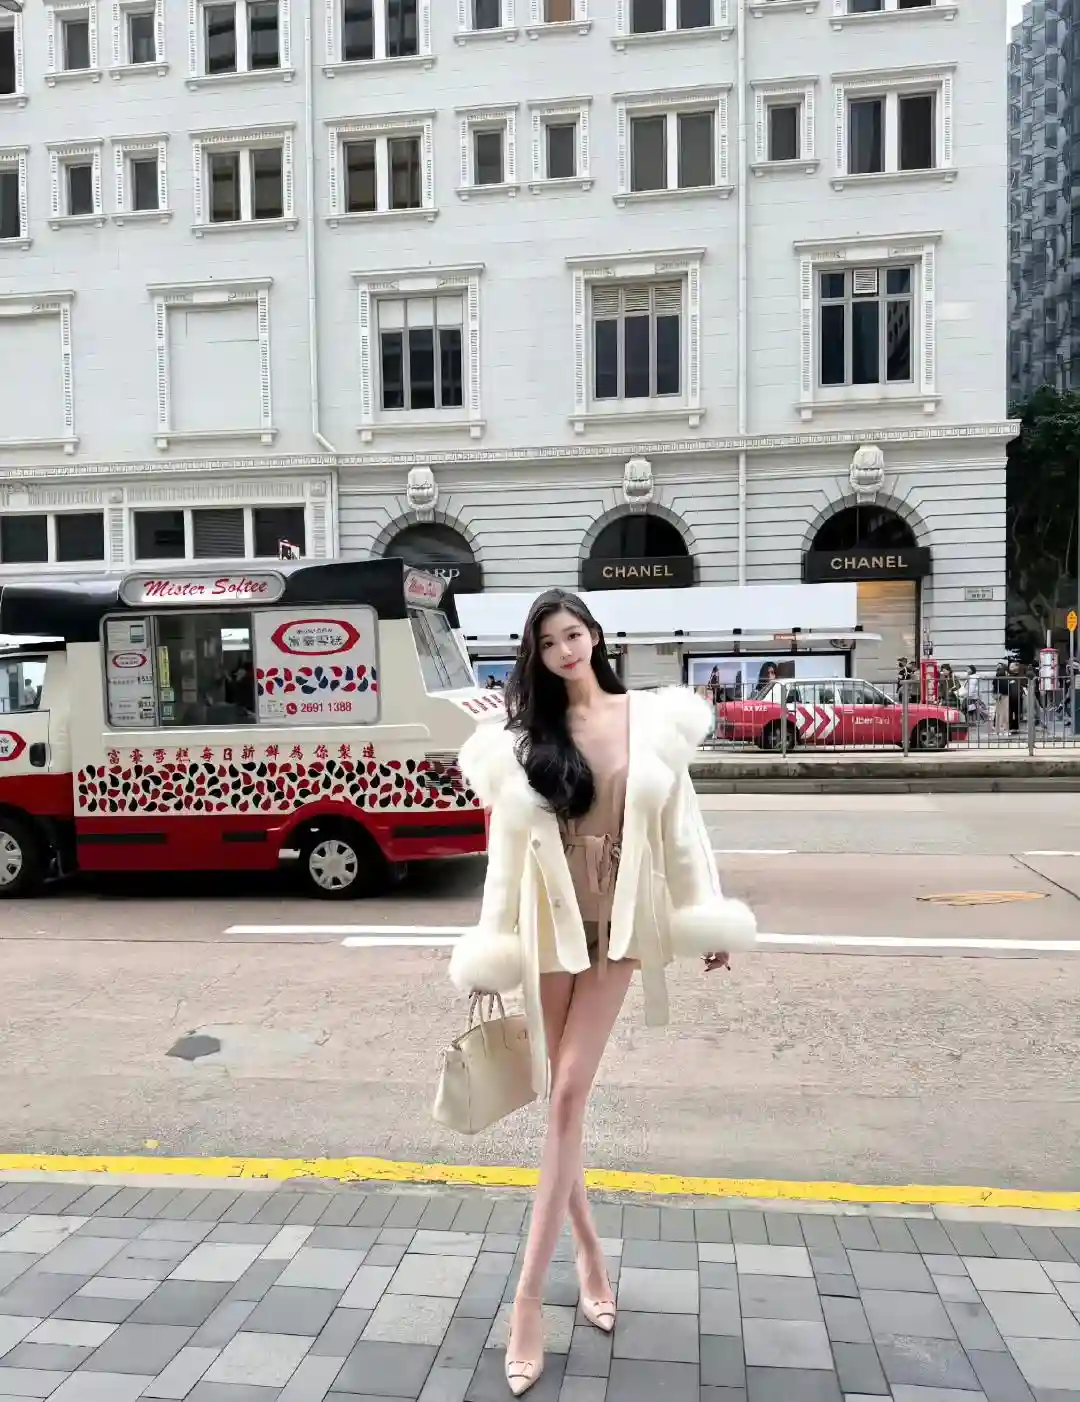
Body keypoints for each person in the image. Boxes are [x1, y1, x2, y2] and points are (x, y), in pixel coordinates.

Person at [449, 589, 757, 1396]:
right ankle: (588, 1253)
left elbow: (682, 833)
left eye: (574, 633)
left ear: (594, 636)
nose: (566, 649)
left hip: (622, 926)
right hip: (548, 927)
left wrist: (705, 918)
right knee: (562, 1106)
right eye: (549, 641)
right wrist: (489, 950)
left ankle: (525, 1301)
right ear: (537, 655)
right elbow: (504, 862)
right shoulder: (519, 741)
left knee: (567, 1095)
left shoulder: (651, 719)